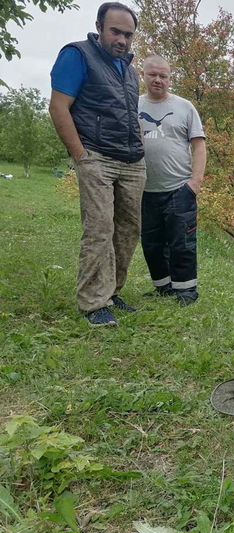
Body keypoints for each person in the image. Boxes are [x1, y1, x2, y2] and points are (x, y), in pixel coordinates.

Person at [49, 2, 145, 326]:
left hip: (132, 160)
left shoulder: (131, 71)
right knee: (100, 228)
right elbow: (59, 107)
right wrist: (81, 156)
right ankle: (93, 303)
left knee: (129, 230)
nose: (122, 39)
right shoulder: (77, 55)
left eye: (128, 34)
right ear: (100, 27)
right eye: (115, 31)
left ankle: (112, 292)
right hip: (97, 157)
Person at [138, 55, 206, 305]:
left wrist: (194, 184)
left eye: (163, 76)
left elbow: (199, 146)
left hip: (179, 188)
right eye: (153, 75)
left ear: (169, 78)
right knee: (152, 244)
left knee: (182, 243)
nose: (158, 80)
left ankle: (186, 291)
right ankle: (163, 287)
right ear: (143, 75)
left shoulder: (185, 107)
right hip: (144, 190)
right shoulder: (132, 105)